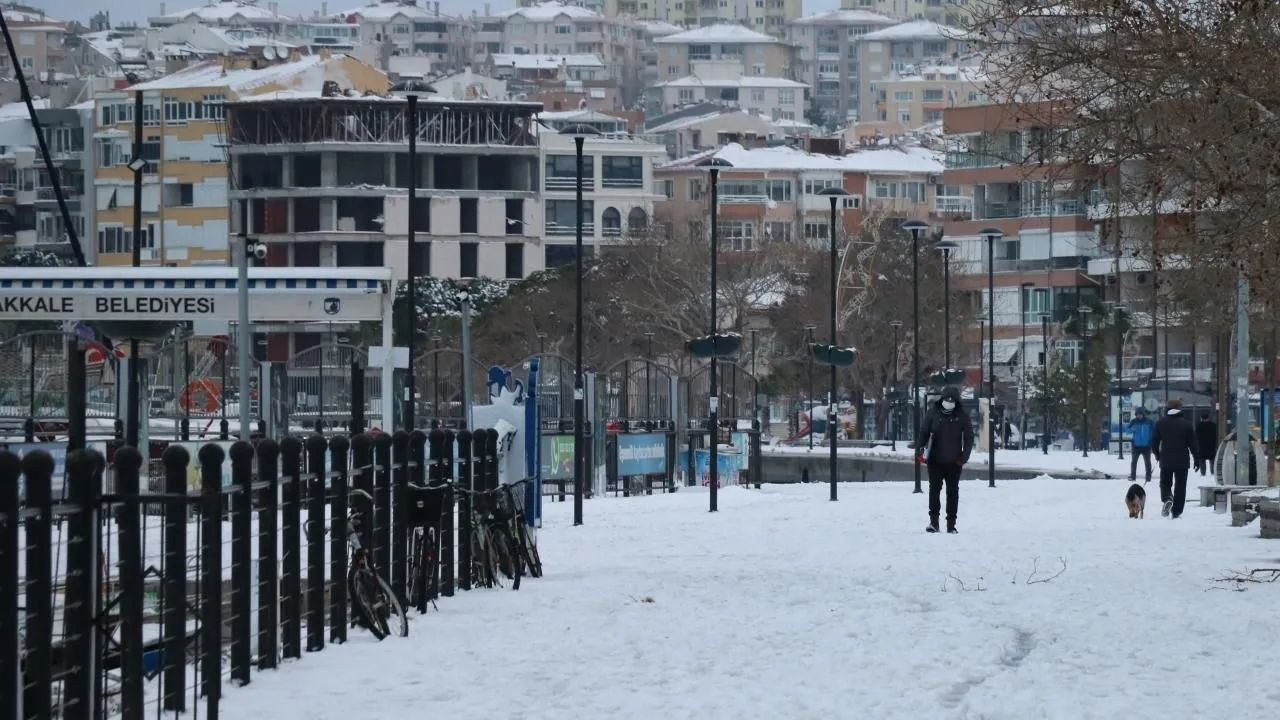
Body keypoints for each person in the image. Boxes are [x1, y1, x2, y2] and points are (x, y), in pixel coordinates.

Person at [916, 385, 974, 534]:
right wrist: (920, 450)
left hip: (954, 461)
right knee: (934, 491)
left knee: (952, 492)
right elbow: (923, 433)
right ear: (942, 399)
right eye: (947, 398)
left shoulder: (962, 416)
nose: (949, 401)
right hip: (935, 460)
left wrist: (963, 457)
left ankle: (951, 524)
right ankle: (934, 522)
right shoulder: (932, 414)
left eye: (952, 399)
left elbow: (969, 438)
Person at [1152, 398, 1200, 518]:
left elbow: (1154, 442)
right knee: (1180, 486)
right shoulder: (1187, 424)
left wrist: (1158, 455)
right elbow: (1193, 444)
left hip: (1166, 459)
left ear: (1167, 409)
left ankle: (1167, 497)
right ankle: (1177, 511)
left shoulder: (1160, 423)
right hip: (1182, 461)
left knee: (1165, 483)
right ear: (1179, 409)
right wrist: (1196, 458)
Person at [1127, 407, 1154, 484]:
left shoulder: (1149, 422)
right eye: (1137, 414)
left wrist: (1151, 441)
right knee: (1134, 462)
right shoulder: (1133, 422)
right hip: (1136, 446)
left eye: (1140, 414)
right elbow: (1127, 430)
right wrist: (1132, 429)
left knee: (1148, 462)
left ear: (1143, 414)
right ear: (1136, 415)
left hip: (1146, 446)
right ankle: (1133, 476)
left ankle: (1148, 477)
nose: (1139, 416)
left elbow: (1153, 432)